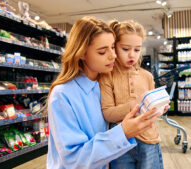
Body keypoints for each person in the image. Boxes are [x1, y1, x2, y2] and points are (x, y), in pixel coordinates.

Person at [46, 16, 163, 169]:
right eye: (102, 52)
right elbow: (74, 159)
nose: (113, 55)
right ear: (81, 53)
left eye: (113, 47)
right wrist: (123, 132)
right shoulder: (62, 95)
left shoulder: (103, 83)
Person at [99, 20, 168, 169]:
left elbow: (152, 113)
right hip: (120, 144)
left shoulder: (147, 76)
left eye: (137, 50)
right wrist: (132, 106)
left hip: (149, 140)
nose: (132, 55)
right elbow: (107, 113)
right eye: (125, 49)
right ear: (114, 47)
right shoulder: (107, 76)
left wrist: (159, 109)